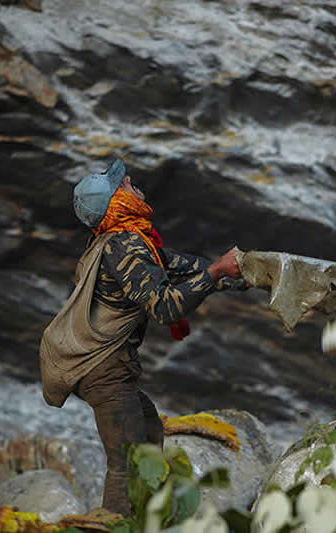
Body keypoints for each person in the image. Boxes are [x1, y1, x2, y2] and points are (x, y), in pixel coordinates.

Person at [39, 157, 244, 516]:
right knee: (128, 463)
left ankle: (149, 517)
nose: (132, 181)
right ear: (118, 204)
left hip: (102, 367)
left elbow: (176, 266)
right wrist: (215, 272)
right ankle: (117, 523)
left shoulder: (119, 242)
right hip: (102, 370)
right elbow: (165, 307)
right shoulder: (126, 247)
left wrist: (238, 274)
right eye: (125, 184)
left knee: (148, 431)